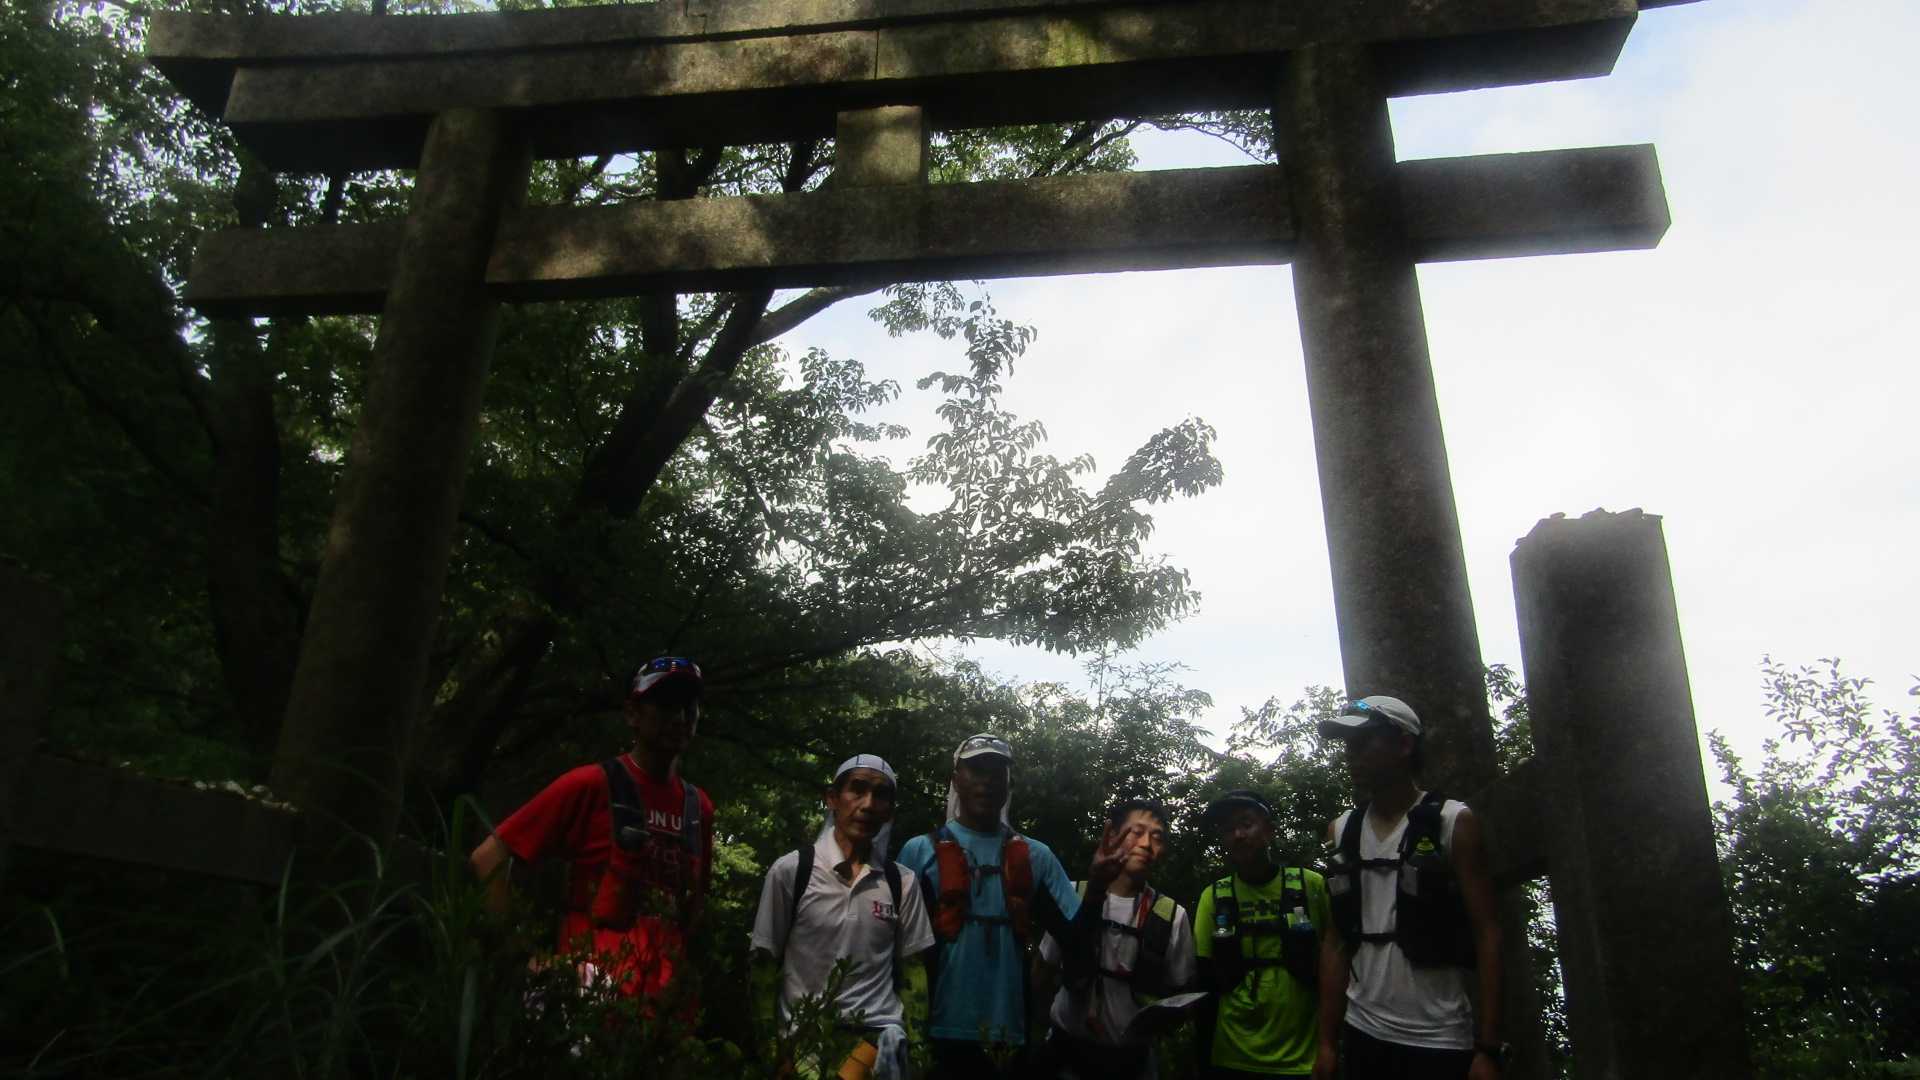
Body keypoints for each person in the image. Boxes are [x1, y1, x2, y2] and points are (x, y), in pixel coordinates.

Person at [467, 655, 713, 1010]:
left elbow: (694, 909)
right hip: (588, 1003)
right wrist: (521, 959)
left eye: (689, 707)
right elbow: (487, 857)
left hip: (667, 1011)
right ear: (632, 714)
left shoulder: (699, 808)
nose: (679, 717)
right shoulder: (590, 784)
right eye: (665, 705)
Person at [894, 733, 1122, 1078]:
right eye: (977, 769)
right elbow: (893, 946)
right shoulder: (920, 852)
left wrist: (1097, 887)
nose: (987, 780)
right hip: (934, 1031)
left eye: (997, 771)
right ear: (956, 779)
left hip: (1011, 1033)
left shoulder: (1036, 857)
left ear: (1008, 783)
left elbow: (1075, 940)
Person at [1311, 696, 1504, 1080]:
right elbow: (1336, 941)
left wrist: (1488, 1048)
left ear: (1404, 744)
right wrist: (1327, 1044)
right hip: (1362, 1030)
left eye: (1363, 742)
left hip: (1440, 1036)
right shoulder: (1342, 830)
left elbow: (1488, 933)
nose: (1351, 754)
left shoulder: (1452, 822)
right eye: (1347, 744)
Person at [750, 754, 937, 1079]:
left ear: (890, 811)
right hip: (805, 1045)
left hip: (876, 1048)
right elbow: (763, 962)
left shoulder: (901, 882)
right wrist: (772, 1052)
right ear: (832, 798)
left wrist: (918, 1051)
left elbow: (913, 971)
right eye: (858, 789)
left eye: (881, 795)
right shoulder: (792, 871)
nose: (868, 804)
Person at [1036, 798, 1198, 1080]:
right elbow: (1041, 971)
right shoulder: (1073, 894)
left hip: (1133, 1063)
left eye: (1157, 837)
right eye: (1137, 832)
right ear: (1112, 835)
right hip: (1066, 1056)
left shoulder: (1172, 915)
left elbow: (1180, 994)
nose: (1146, 844)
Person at [1193, 789, 1332, 1079]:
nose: (1238, 835)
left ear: (1269, 830)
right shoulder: (1214, 896)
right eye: (1228, 829)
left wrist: (1328, 1045)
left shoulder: (1311, 885)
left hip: (1302, 1058)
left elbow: (1336, 959)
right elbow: (1203, 975)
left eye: (1246, 824)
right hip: (1231, 1054)